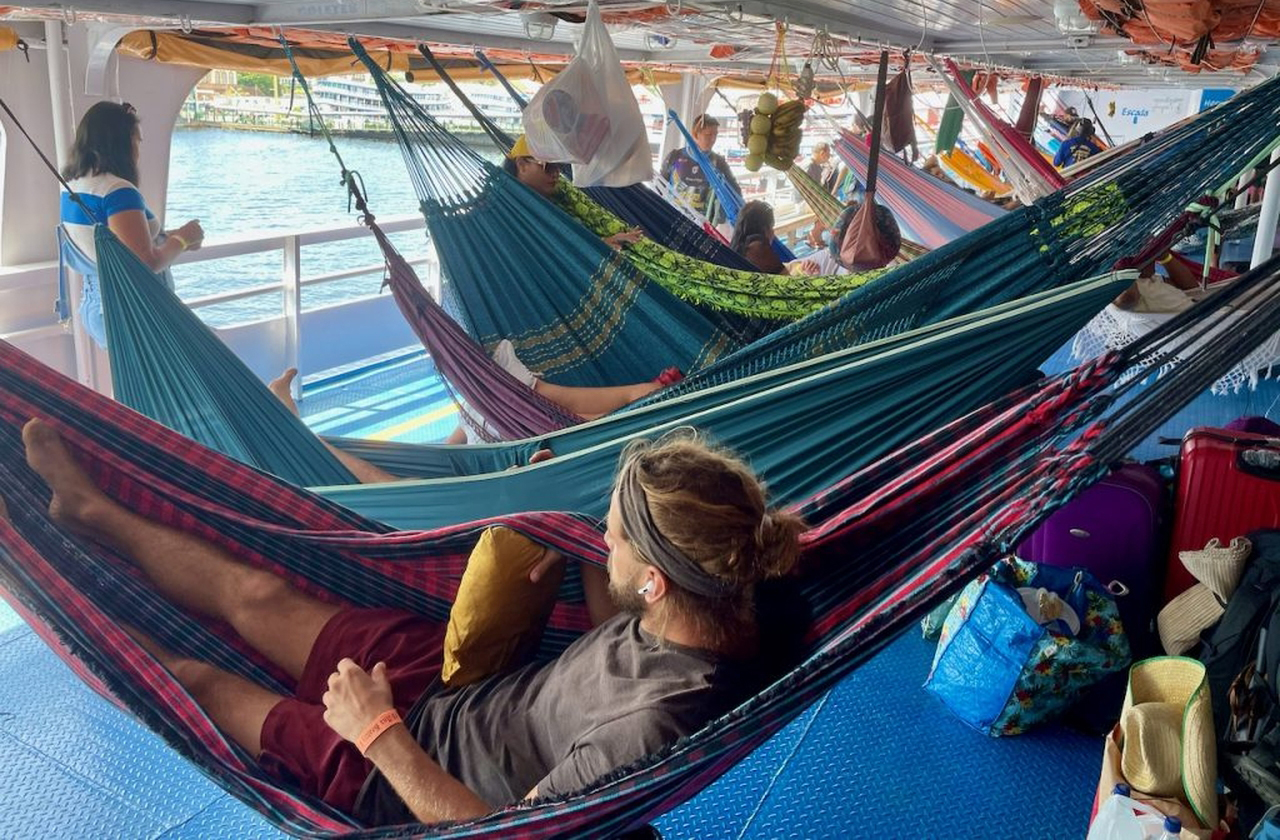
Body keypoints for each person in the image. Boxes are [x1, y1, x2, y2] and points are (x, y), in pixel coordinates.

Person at [19, 420, 804, 826]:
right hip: (462, 682)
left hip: (407, 770)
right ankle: (91, 511)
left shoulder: (653, 728)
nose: (602, 536)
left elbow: (503, 835)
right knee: (256, 595)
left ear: (658, 581)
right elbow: (619, 634)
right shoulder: (728, 592)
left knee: (195, 682)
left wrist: (378, 732)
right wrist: (580, 561)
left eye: (614, 536)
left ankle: (45, 576)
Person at [266, 354, 680, 482]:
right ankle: (302, 437)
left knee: (400, 488)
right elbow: (454, 447)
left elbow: (595, 415)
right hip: (490, 456)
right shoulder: (490, 403)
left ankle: (300, 436)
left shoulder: (526, 407)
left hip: (507, 476)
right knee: (407, 476)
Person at [59, 101, 205, 346]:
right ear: (121, 143)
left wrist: (168, 238)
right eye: (137, 140)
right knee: (194, 364)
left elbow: (114, 241)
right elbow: (145, 264)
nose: (138, 149)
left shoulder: (73, 185)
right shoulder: (117, 190)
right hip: (131, 309)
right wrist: (183, 238)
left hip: (96, 306)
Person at [502, 136, 644, 250]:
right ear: (522, 165)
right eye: (549, 167)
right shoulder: (509, 211)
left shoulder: (559, 195)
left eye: (560, 167)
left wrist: (605, 241)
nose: (556, 174)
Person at [659, 114, 741, 226]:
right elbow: (659, 187)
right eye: (708, 135)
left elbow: (734, 192)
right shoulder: (675, 157)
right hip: (672, 219)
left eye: (715, 135)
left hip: (703, 226)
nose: (713, 139)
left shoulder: (718, 163)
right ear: (695, 134)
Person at [1113, 252, 1206, 313]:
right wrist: (1125, 273)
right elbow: (1124, 300)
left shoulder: (1151, 278)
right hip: (1197, 327)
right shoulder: (1131, 290)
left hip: (1203, 310)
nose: (1154, 260)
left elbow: (1193, 289)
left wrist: (1166, 257)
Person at [728, 200, 785, 274]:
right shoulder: (757, 247)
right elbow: (785, 277)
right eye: (771, 227)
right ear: (765, 228)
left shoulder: (737, 246)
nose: (773, 232)